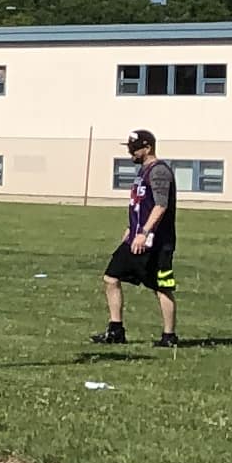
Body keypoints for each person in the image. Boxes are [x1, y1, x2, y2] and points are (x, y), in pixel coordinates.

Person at [102, 126, 181, 348]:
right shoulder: (143, 171)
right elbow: (141, 204)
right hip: (135, 237)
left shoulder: (159, 171)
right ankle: (115, 329)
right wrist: (132, 227)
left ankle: (169, 336)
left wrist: (144, 232)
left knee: (161, 287)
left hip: (155, 243)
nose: (131, 154)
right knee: (111, 277)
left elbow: (160, 206)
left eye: (135, 149)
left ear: (148, 148)